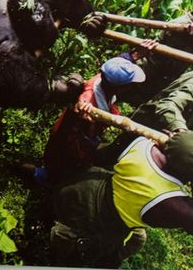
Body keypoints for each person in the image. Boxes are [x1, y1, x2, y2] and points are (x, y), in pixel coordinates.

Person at [49, 131, 193, 268]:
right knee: (84, 258)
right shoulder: (169, 202)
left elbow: (102, 155)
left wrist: (181, 145)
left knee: (137, 237)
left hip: (84, 186)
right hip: (95, 222)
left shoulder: (140, 144)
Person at [25, 57, 147, 185]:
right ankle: (39, 175)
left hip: (75, 137)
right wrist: (85, 112)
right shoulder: (88, 103)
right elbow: (75, 125)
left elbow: (116, 66)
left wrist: (132, 56)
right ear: (119, 88)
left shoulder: (102, 79)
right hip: (68, 142)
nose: (132, 87)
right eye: (130, 85)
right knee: (59, 171)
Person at [118, 0, 193, 105]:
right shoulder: (182, 26)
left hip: (156, 81)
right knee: (118, 99)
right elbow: (166, 62)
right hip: (145, 75)